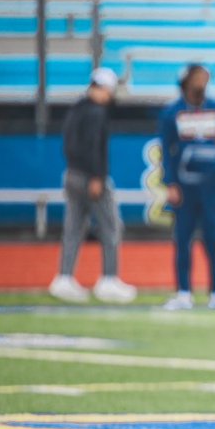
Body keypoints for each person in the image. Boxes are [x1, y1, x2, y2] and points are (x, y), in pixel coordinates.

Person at [49, 67, 137, 304]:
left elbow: (70, 144)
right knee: (110, 226)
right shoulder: (96, 113)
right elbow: (93, 147)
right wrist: (97, 176)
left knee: (73, 228)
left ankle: (64, 277)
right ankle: (109, 278)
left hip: (72, 174)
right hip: (90, 178)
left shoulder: (76, 109)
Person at [159, 64, 215, 311]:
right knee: (183, 239)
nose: (202, 82)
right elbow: (166, 149)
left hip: (212, 185)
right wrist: (170, 183)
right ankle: (183, 292)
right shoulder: (172, 112)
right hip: (185, 186)